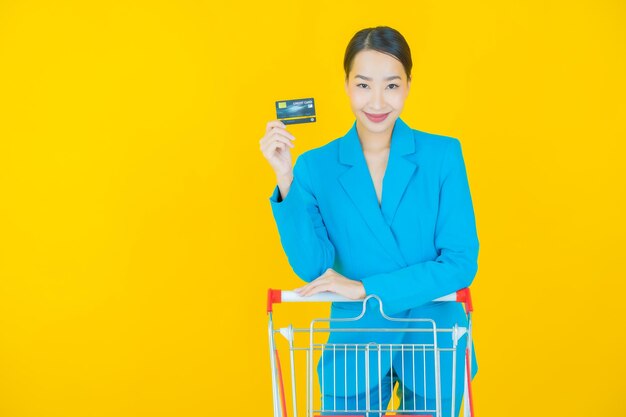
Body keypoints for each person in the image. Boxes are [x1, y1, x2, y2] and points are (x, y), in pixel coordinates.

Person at [260, 26, 479, 417]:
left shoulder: (443, 155)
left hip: (433, 341)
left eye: (391, 86)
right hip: (355, 345)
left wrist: (366, 288)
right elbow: (313, 268)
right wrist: (285, 179)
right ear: (345, 85)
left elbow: (460, 264)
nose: (377, 101)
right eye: (363, 85)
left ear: (409, 85)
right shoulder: (314, 166)